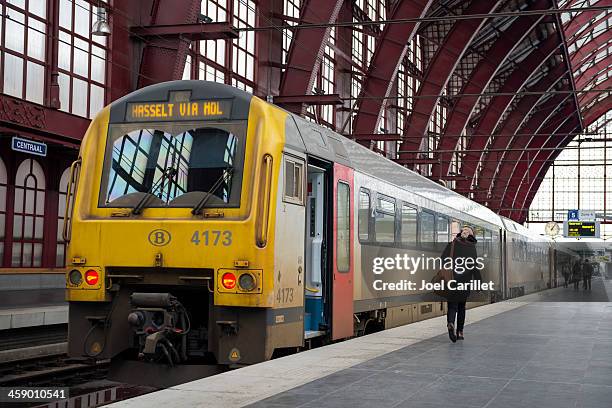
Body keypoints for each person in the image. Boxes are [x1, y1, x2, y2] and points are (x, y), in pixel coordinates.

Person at [440, 225, 481, 343]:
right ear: (471, 236)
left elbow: (443, 259)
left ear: (460, 233)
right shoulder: (471, 247)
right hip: (464, 281)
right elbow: (474, 267)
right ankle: (460, 332)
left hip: (452, 280)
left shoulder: (452, 244)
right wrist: (478, 282)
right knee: (461, 307)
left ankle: (450, 322)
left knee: (452, 305)